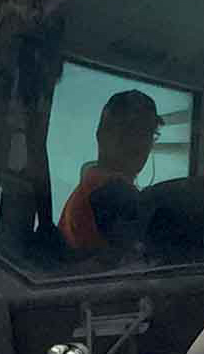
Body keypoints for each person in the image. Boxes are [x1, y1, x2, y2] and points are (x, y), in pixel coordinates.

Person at [58, 89, 163, 256]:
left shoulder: (89, 186)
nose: (139, 142)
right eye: (129, 130)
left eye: (147, 133)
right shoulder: (113, 193)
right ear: (102, 134)